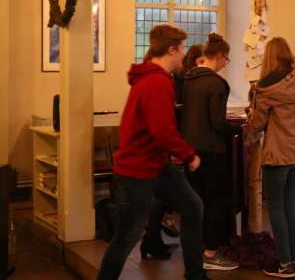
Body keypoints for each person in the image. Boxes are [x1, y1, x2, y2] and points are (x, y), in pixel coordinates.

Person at [96, 24, 208, 280]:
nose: (183, 56)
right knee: (127, 235)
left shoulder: (154, 77)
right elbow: (162, 130)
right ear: (171, 50)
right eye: (181, 50)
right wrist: (189, 155)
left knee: (192, 207)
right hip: (137, 170)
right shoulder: (156, 81)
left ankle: (195, 274)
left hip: (156, 165)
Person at [244, 37, 295, 279]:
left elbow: (258, 123)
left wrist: (248, 129)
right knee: (289, 206)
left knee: (275, 207)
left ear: (269, 57)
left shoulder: (265, 86)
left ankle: (285, 263)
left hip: (278, 152)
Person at [180, 33, 242, 271]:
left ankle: (195, 248)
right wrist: (237, 130)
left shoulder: (188, 79)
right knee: (216, 202)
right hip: (213, 151)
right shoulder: (216, 83)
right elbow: (217, 123)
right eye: (226, 60)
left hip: (190, 149)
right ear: (217, 56)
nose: (225, 64)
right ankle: (211, 252)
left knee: (196, 202)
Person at [139, 44, 205, 260]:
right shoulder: (180, 79)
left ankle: (152, 238)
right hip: (175, 141)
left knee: (165, 197)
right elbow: (170, 116)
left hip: (169, 144)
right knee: (181, 201)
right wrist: (186, 151)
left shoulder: (175, 77)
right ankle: (155, 240)